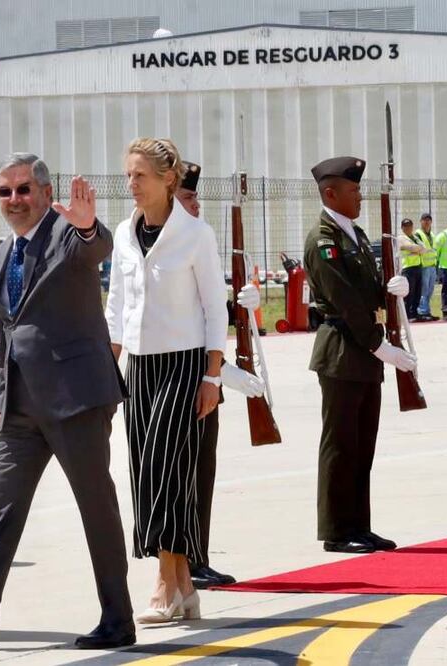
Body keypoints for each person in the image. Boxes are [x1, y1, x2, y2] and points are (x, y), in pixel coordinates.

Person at [0, 153, 135, 650]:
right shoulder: (1, 256)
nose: (14, 200)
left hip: (76, 399)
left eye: (23, 190)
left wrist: (86, 227)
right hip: (20, 408)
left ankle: (117, 619)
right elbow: (5, 337)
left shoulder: (66, 233)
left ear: (43, 191)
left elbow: (94, 247)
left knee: (95, 508)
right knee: (1, 509)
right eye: (4, 192)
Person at [100, 137, 229, 624]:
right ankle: (184, 584)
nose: (131, 184)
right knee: (147, 472)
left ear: (168, 179)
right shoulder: (123, 233)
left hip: (184, 365)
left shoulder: (196, 235)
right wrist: (107, 371)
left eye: (141, 176)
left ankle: (163, 581)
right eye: (129, 175)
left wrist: (212, 377)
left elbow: (217, 310)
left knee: (163, 467)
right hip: (140, 368)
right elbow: (116, 309)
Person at [302, 156, 415, 554]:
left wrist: (392, 289)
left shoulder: (356, 235)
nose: (360, 196)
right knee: (341, 444)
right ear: (331, 193)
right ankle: (336, 529)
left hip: (364, 351)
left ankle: (358, 525)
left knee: (362, 444)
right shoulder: (324, 239)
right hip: (343, 351)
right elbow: (345, 301)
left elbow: (366, 290)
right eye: (353, 190)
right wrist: (379, 345)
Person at [174, 160, 264, 590]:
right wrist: (221, 372)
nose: (196, 207)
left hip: (204, 379)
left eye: (196, 198)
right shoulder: (165, 246)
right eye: (188, 198)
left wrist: (238, 305)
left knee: (202, 472)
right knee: (183, 475)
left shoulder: (196, 242)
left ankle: (198, 556)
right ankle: (183, 561)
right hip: (181, 379)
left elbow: (209, 313)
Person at [398, 218, 425, 321]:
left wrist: (416, 249)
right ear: (402, 227)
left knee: (417, 292)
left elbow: (424, 249)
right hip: (408, 268)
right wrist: (416, 249)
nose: (408, 228)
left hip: (418, 267)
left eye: (409, 225)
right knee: (409, 293)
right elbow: (411, 247)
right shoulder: (401, 238)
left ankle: (414, 312)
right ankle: (407, 315)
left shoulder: (415, 237)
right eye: (405, 226)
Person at [414, 213, 439, 320]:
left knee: (430, 291)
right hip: (423, 266)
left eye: (428, 220)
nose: (427, 222)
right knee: (423, 291)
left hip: (432, 266)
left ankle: (427, 311)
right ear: (420, 221)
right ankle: (422, 312)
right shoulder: (418, 234)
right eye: (424, 220)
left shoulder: (432, 235)